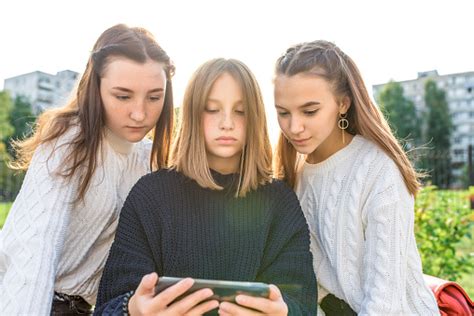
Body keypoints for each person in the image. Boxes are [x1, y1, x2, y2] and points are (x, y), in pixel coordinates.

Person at [94, 58, 317, 315]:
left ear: (255, 117)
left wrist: (284, 312)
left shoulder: (280, 202)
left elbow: (303, 304)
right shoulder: (150, 195)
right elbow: (107, 306)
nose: (226, 123)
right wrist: (133, 309)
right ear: (192, 114)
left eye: (240, 111)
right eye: (212, 109)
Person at [0, 24, 175, 315]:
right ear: (95, 87)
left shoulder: (150, 162)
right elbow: (34, 252)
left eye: (154, 97)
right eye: (123, 96)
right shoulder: (68, 140)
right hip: (21, 301)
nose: (139, 113)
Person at [272, 40, 440, 315]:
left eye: (310, 111)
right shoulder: (293, 177)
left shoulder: (378, 171)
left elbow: (385, 305)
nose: (294, 127)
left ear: (342, 103)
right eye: (283, 113)